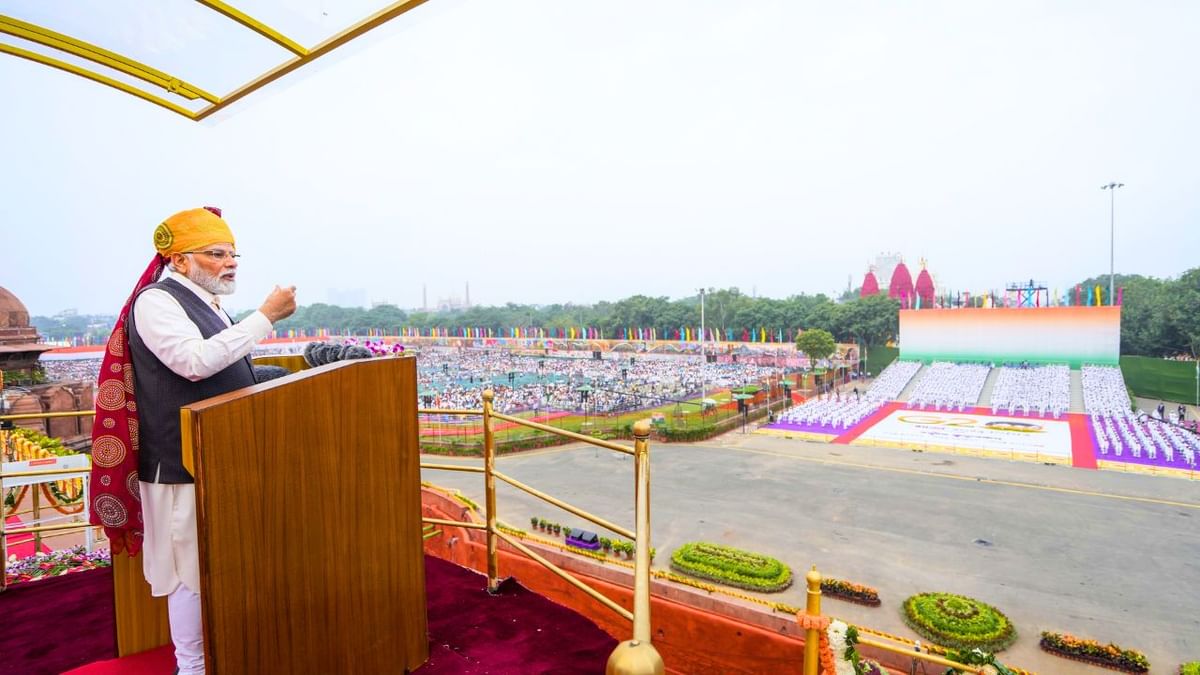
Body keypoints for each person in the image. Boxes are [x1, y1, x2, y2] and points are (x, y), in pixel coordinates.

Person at [89, 207, 296, 675]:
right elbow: (195, 363)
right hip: (180, 463)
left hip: (221, 456)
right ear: (179, 260)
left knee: (221, 567)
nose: (231, 262)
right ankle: (192, 667)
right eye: (216, 253)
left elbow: (225, 369)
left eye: (233, 253)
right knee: (189, 573)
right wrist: (265, 317)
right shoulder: (157, 302)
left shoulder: (207, 301)